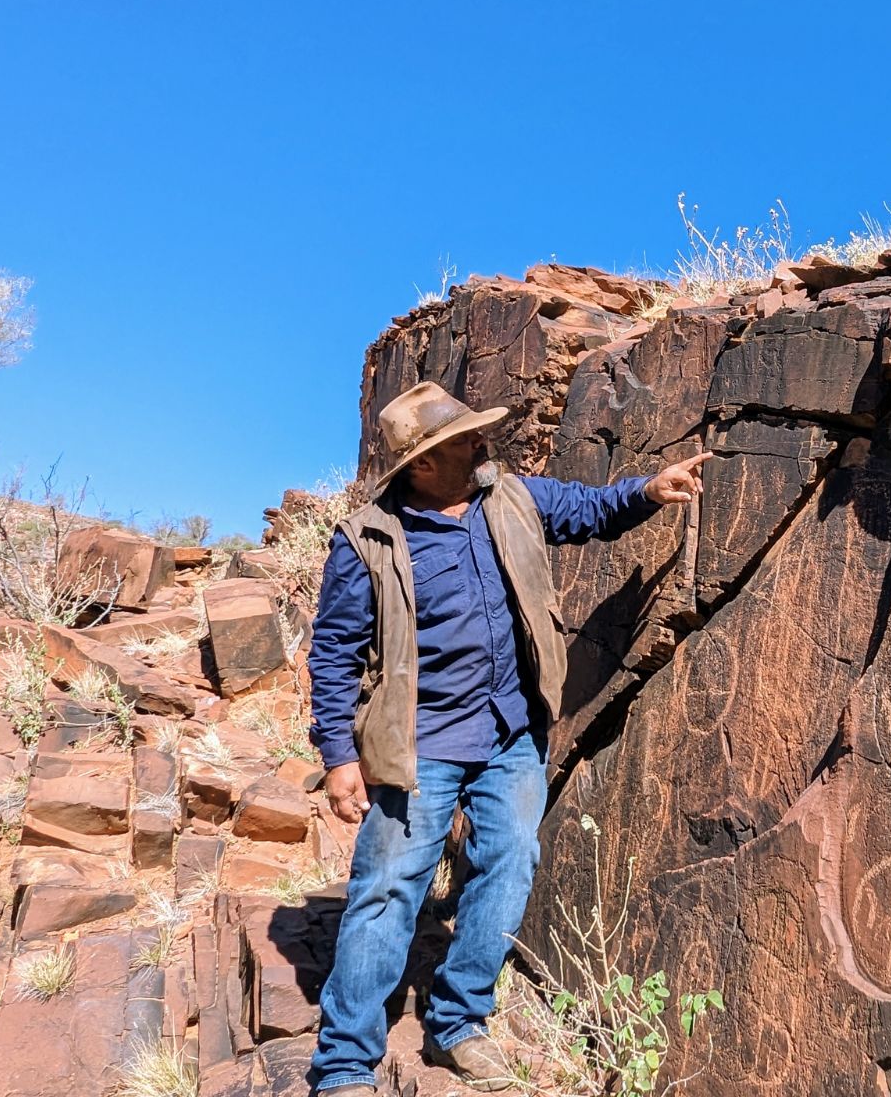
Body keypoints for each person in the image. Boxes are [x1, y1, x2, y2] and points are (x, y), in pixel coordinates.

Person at [304, 380, 710, 1096]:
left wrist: (648, 488)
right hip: (417, 746)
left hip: (511, 733)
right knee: (387, 890)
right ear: (422, 463)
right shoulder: (368, 540)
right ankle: (343, 1063)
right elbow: (334, 653)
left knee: (510, 862)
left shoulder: (510, 498)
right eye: (462, 439)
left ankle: (459, 1022)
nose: (480, 443)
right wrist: (339, 757)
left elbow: (588, 511)